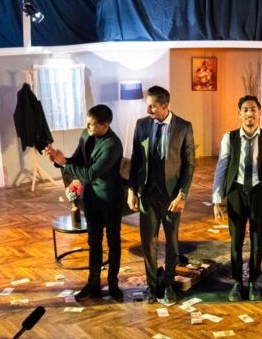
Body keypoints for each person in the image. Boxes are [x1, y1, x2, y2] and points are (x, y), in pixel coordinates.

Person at [47, 104, 124, 302]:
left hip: (110, 198)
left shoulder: (113, 145)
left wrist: (65, 163)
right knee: (93, 241)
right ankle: (93, 284)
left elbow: (90, 173)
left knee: (113, 241)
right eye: (87, 123)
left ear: (105, 125)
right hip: (91, 197)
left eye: (92, 125)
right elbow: (77, 161)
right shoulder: (85, 134)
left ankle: (113, 283)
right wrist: (59, 159)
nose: (88, 127)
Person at [212, 96, 262, 301]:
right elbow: (221, 168)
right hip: (236, 191)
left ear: (259, 113)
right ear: (239, 114)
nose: (249, 113)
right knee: (236, 239)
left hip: (259, 192)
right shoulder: (229, 138)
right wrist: (217, 200)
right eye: (245, 110)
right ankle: (237, 282)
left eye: (253, 109)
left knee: (257, 239)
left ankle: (253, 282)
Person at [127, 86, 195, 303]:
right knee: (148, 243)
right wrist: (131, 190)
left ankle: (168, 286)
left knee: (172, 244)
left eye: (152, 106)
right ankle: (151, 286)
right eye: (147, 105)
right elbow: (136, 159)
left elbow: (189, 165)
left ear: (165, 106)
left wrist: (182, 195)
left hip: (172, 196)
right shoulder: (142, 125)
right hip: (147, 194)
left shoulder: (184, 127)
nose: (148, 109)